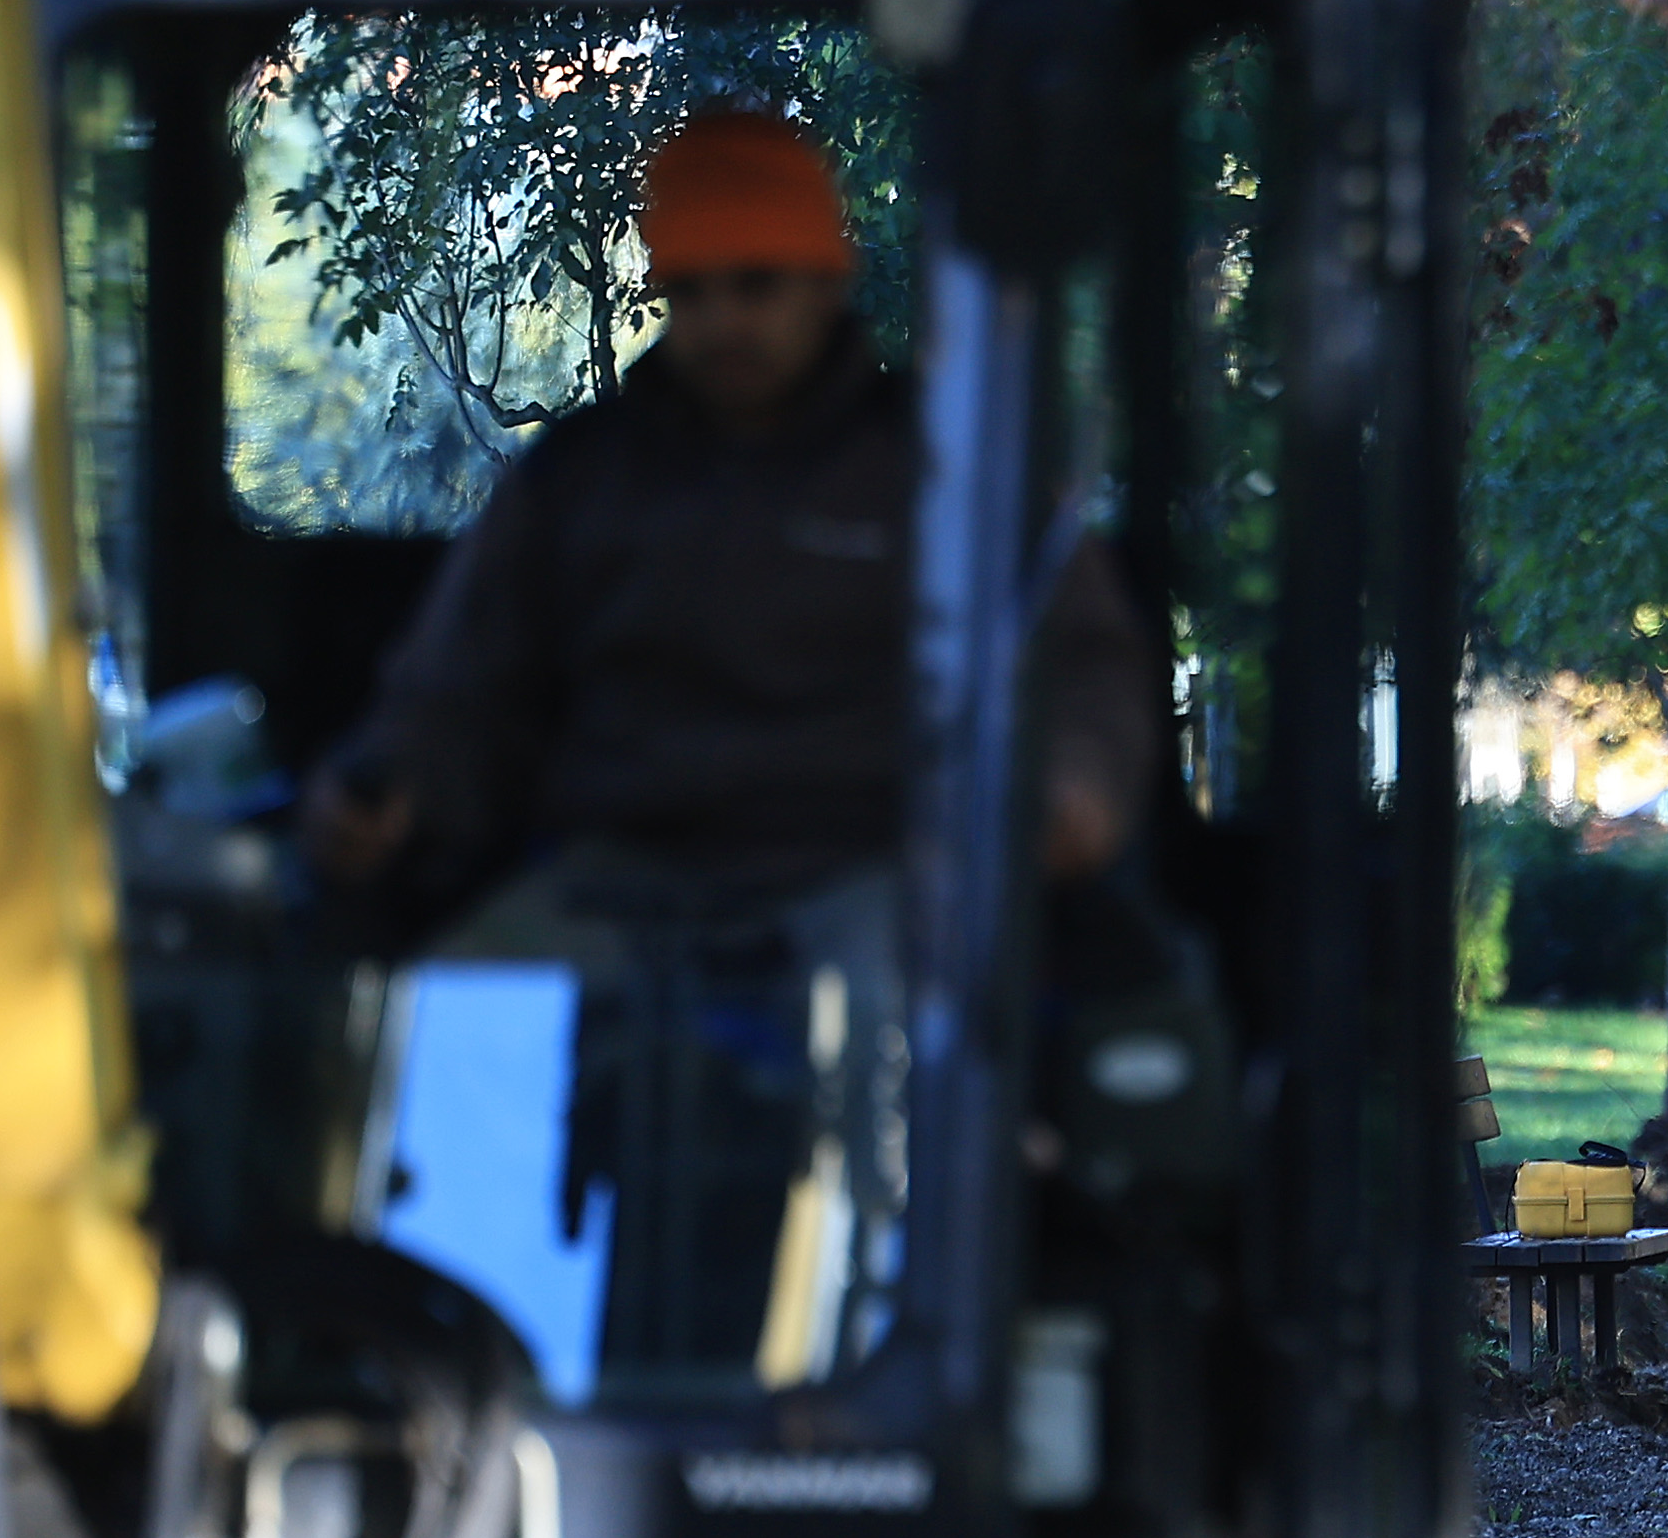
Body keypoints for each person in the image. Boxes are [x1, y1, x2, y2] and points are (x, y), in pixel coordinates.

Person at [306, 111, 1146, 927]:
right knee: (460, 1014)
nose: (722, 323)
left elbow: (1085, 664)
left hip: (880, 882)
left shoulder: (946, 470)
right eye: (691, 292)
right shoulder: (580, 477)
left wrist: (1078, 782)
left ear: (827, 282)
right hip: (614, 882)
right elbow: (455, 690)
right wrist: (383, 788)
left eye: (756, 284)